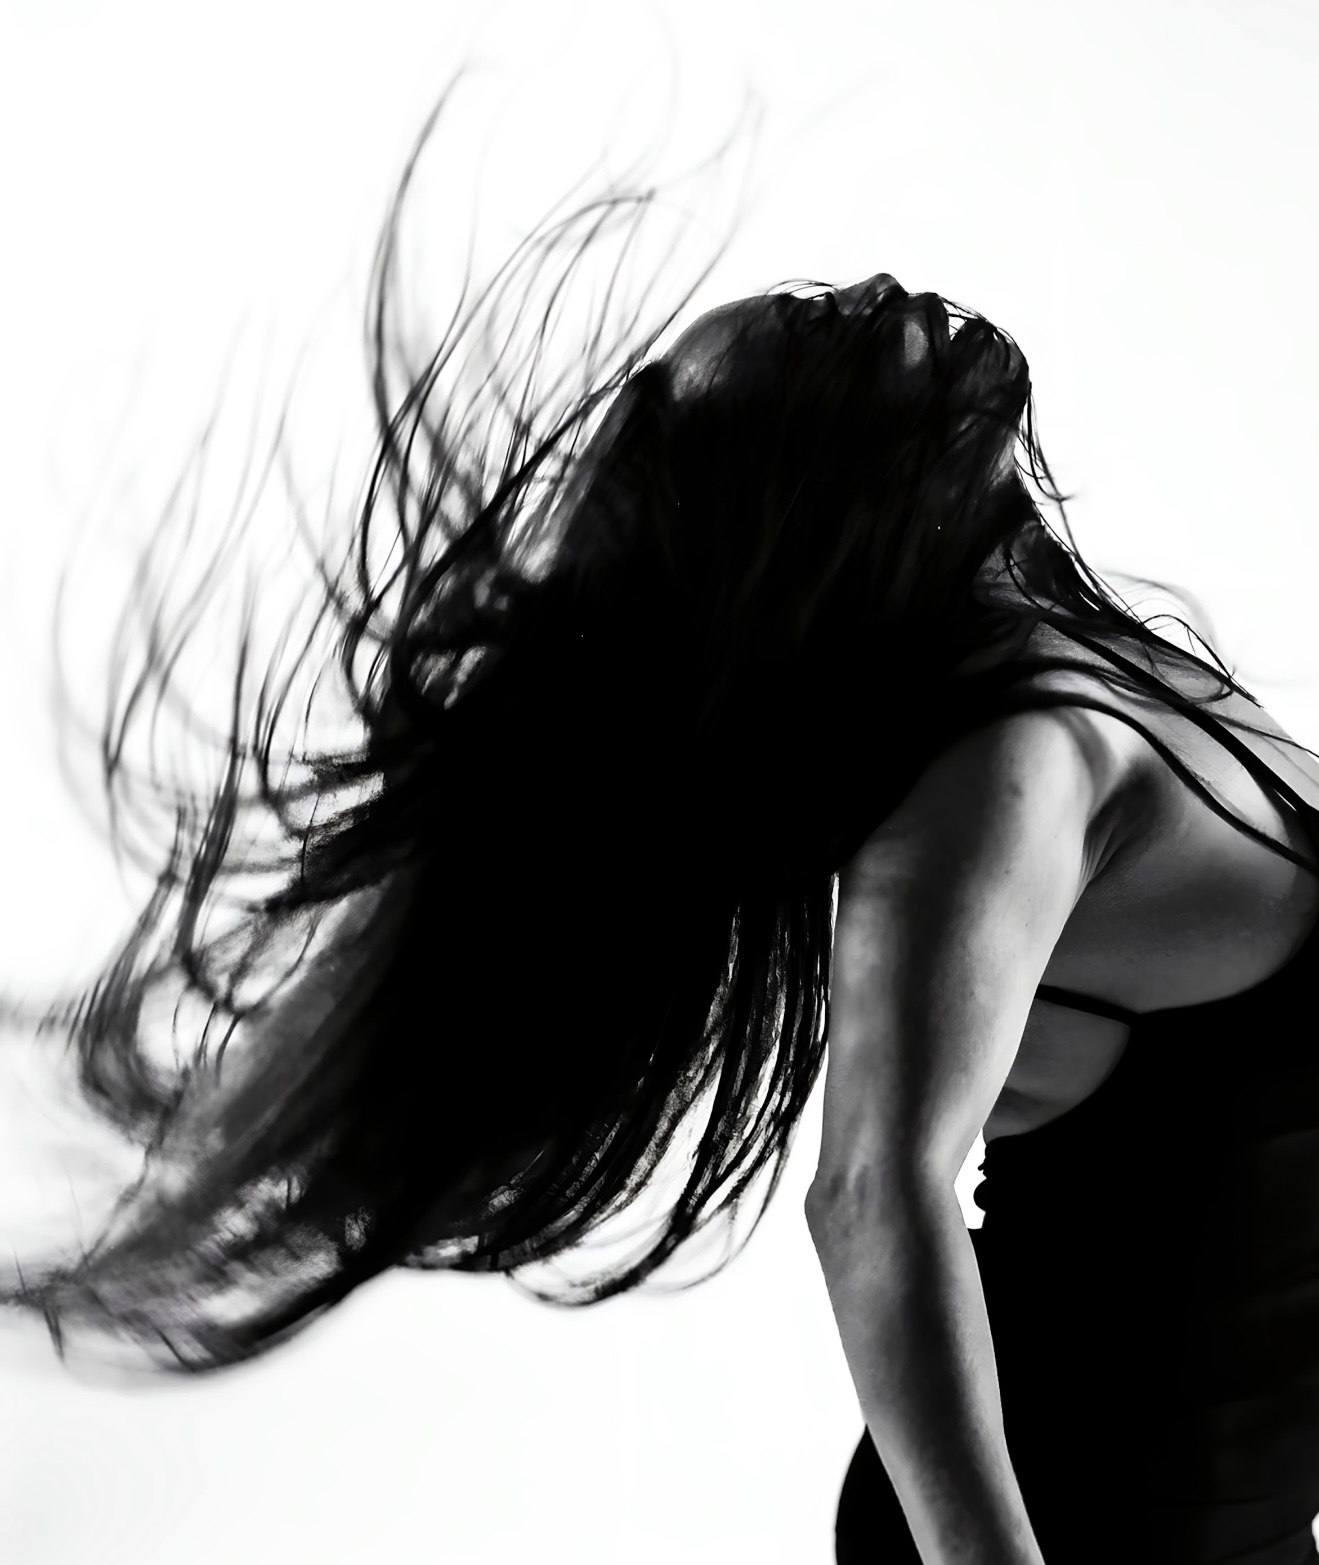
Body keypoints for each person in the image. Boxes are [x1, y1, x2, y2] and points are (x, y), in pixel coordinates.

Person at [3, 116, 1318, 1565]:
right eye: (812, 337)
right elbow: (873, 1193)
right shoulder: (1001, 774)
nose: (874, 294)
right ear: (815, 500)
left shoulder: (1099, 671)